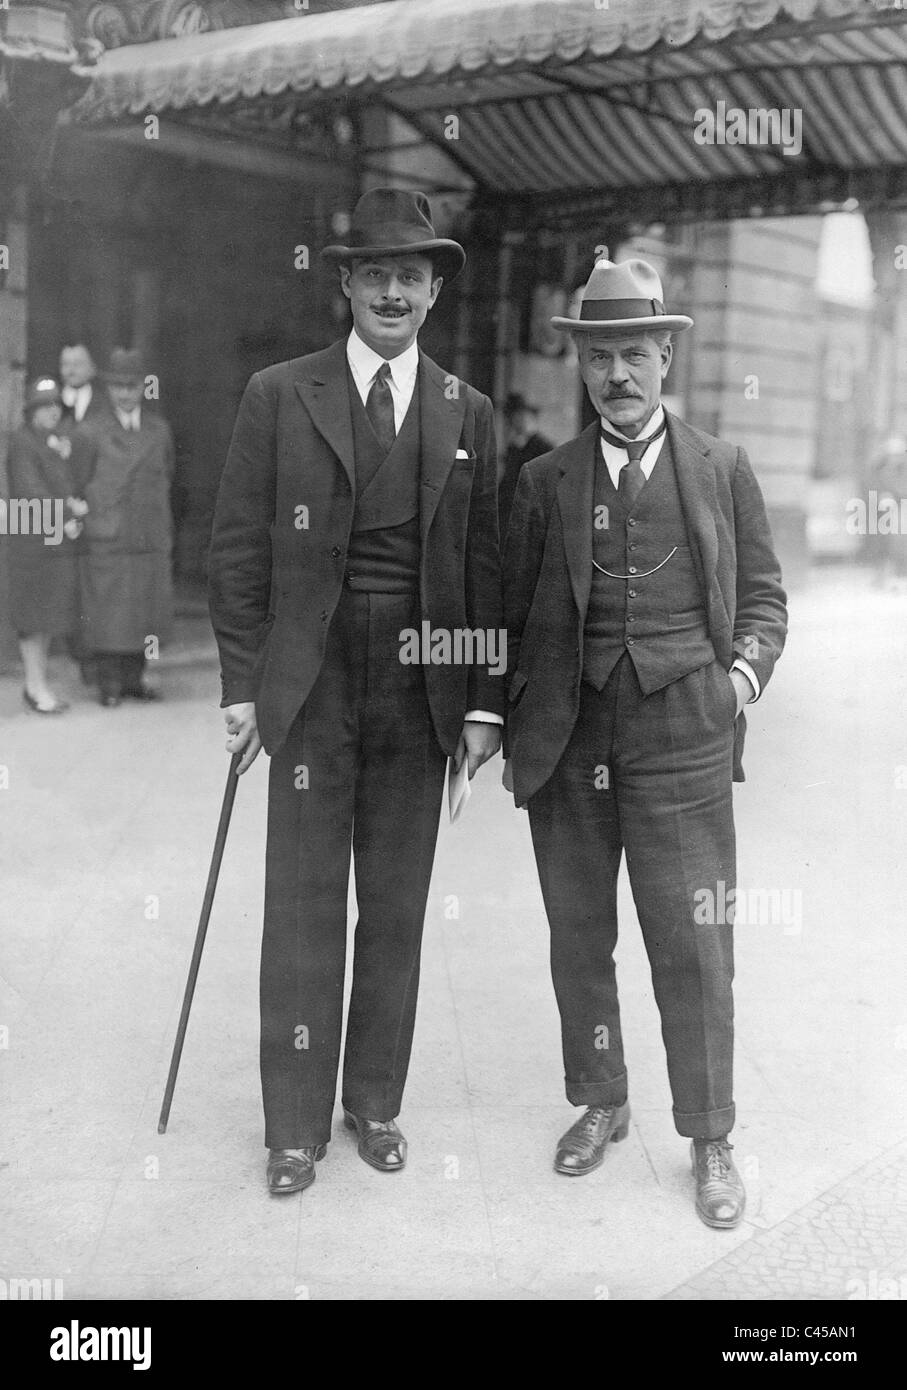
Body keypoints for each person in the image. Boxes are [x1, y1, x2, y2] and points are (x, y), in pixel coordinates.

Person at [208, 188, 505, 1196]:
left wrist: (478, 707)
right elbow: (238, 549)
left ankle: (371, 1100)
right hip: (310, 683)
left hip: (421, 690)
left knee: (395, 908)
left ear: (433, 292)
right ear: (343, 282)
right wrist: (242, 688)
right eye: (373, 271)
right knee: (299, 906)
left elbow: (486, 567)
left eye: (409, 275)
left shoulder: (469, 413)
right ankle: (293, 1125)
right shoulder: (278, 395)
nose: (391, 290)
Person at [503, 258, 787, 1229]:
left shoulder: (721, 469)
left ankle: (709, 1135)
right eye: (598, 356)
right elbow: (511, 612)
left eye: (633, 351)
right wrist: (496, 716)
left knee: (694, 944)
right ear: (579, 364)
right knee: (579, 937)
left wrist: (735, 683)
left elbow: (764, 603)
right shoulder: (542, 479)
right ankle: (601, 1099)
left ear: (664, 352)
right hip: (571, 740)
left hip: (684, 742)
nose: (617, 373)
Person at [79, 349, 174, 707]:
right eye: (117, 386)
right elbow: (79, 479)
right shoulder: (90, 432)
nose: (124, 393)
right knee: (109, 610)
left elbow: (168, 475)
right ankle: (109, 683)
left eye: (131, 385)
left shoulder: (159, 430)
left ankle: (135, 679)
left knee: (144, 609)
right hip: (110, 533)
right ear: (108, 388)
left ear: (143, 387)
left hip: (148, 532)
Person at [6, 377, 89, 714]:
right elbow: (30, 492)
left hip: (51, 543)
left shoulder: (53, 441)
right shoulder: (23, 443)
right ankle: (35, 686)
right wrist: (69, 511)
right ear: (32, 412)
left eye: (56, 405)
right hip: (31, 543)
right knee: (33, 619)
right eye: (45, 406)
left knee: (45, 616)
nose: (53, 411)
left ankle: (36, 685)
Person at [498, 391, 553, 536]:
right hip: (511, 512)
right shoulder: (514, 447)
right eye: (514, 416)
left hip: (532, 514)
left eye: (522, 415)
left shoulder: (543, 447)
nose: (518, 420)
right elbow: (507, 482)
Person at [59, 344, 110, 425]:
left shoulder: (105, 399)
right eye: (66, 364)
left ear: (92, 368)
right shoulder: (54, 399)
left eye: (77, 364)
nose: (71, 370)